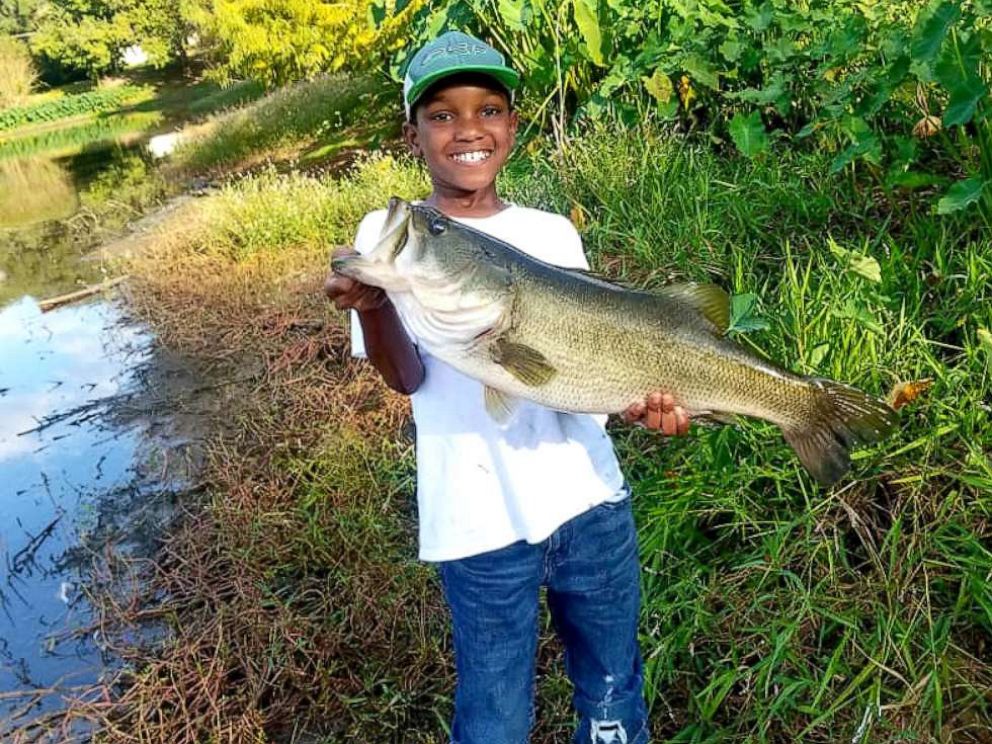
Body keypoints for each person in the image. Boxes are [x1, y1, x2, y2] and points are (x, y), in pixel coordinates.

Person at [324, 30, 689, 744]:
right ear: (414, 135)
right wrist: (373, 308)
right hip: (477, 522)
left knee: (612, 689)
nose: (467, 129)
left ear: (511, 127)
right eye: (441, 115)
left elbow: (596, 372)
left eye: (488, 110)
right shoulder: (392, 238)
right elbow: (405, 378)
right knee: (493, 712)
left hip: (590, 503)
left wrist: (650, 403)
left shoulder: (549, 232)